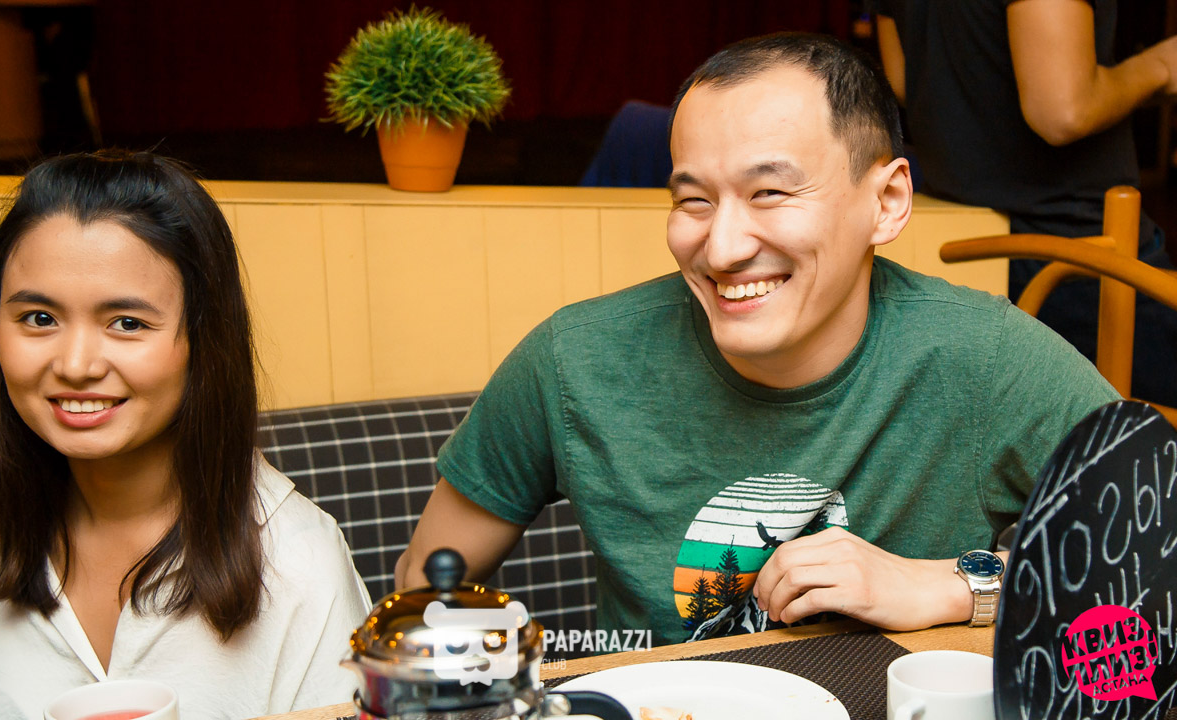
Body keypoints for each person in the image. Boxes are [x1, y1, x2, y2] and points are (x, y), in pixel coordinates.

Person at [394, 33, 1119, 647]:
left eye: (769, 192)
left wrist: (949, 585)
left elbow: (1154, 557)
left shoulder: (987, 359)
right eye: (693, 200)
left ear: (887, 201)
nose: (721, 248)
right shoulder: (572, 360)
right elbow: (421, 592)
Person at [0, 151, 371, 719]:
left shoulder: (297, 561)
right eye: (39, 318)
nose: (75, 365)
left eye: (128, 323)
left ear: (203, 343)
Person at [876, 0, 1177, 407]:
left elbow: (905, 81)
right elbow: (1063, 111)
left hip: (966, 243)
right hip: (1076, 251)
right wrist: (1161, 66)